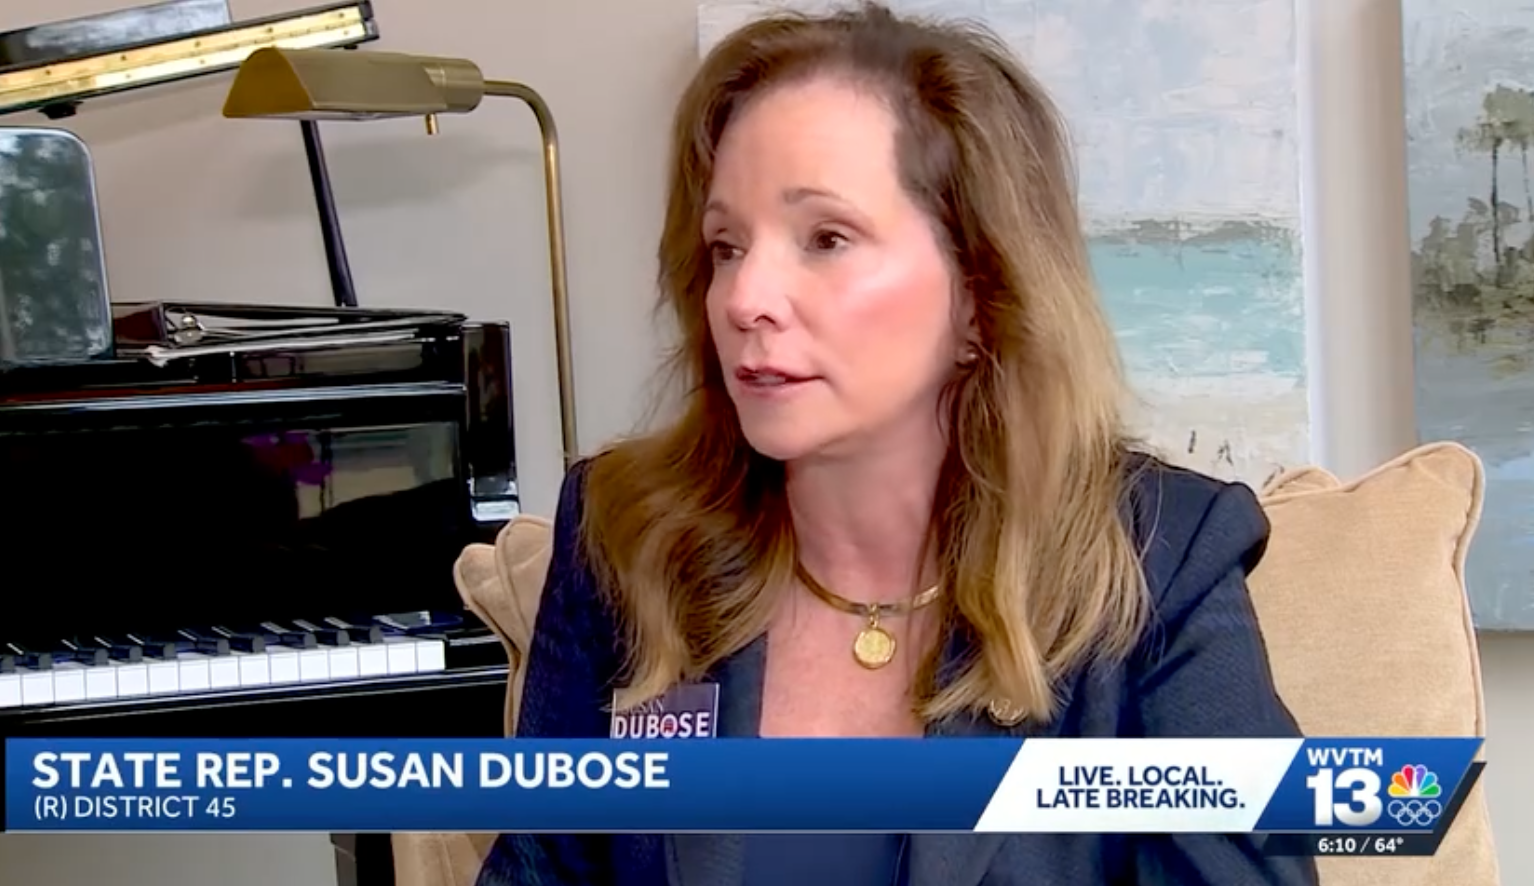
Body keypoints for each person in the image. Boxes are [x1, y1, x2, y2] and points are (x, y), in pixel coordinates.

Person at [479, 2, 1318, 884]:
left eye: (826, 238)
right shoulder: (627, 533)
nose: (744, 297)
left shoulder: (1162, 560)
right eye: (726, 245)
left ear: (979, 294)